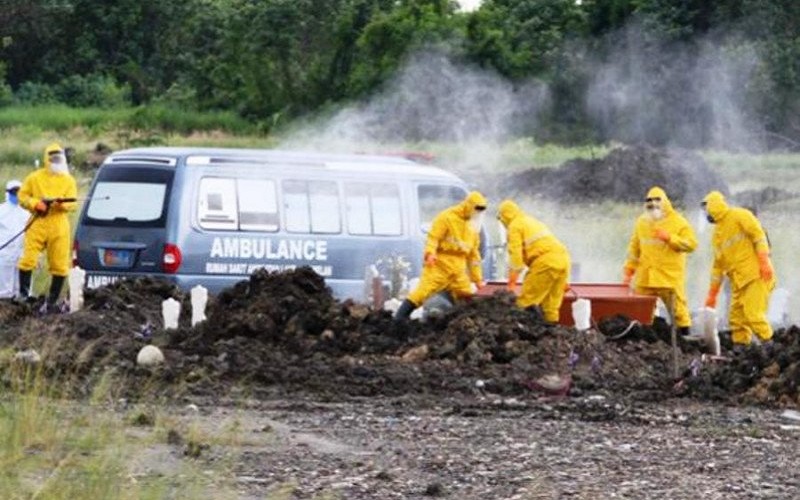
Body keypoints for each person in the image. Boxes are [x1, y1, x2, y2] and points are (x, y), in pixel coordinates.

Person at [394, 191, 487, 320]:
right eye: (477, 208)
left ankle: (466, 325)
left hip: (458, 269)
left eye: (481, 210)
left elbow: (473, 255)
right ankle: (399, 319)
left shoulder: (474, 226)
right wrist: (430, 254)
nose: (478, 213)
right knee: (422, 292)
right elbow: (433, 238)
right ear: (469, 205)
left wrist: (478, 279)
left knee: (466, 295)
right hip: (439, 265)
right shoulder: (447, 217)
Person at [702, 190, 775, 348]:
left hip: (756, 275)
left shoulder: (740, 215)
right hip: (738, 281)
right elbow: (718, 267)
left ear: (714, 206)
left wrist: (764, 260)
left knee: (753, 314)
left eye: (706, 209)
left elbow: (758, 235)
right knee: (736, 319)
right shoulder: (717, 235)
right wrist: (712, 295)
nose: (705, 214)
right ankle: (741, 349)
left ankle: (770, 345)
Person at [622, 187, 697, 336]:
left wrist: (670, 238)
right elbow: (634, 248)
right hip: (645, 278)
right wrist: (629, 271)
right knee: (640, 311)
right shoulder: (642, 222)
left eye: (657, 201)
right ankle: (644, 343)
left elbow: (691, 245)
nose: (653, 205)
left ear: (665, 203)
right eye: (649, 202)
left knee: (679, 313)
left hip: (668, 278)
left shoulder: (678, 222)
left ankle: (684, 341)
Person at [17, 142, 78, 311]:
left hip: (59, 226)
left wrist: (60, 204)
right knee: (28, 259)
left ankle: (52, 301)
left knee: (59, 264)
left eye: (59, 158)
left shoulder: (69, 181)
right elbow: (22, 196)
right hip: (37, 223)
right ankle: (24, 295)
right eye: (53, 158)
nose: (56, 161)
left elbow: (72, 204)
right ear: (47, 159)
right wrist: (35, 203)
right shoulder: (34, 177)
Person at [497, 199, 570, 323]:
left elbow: (516, 258)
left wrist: (511, 283)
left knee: (526, 302)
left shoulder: (514, 226)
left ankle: (519, 335)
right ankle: (552, 334)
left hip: (545, 263)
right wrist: (561, 279)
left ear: (505, 217)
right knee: (551, 306)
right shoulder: (531, 221)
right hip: (563, 260)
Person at [0, 180, 31, 298]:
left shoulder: (27, 213)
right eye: (14, 192)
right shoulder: (1, 211)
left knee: (20, 288)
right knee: (3, 287)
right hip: (4, 253)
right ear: (7, 193)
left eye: (19, 191)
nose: (16, 194)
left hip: (22, 253)